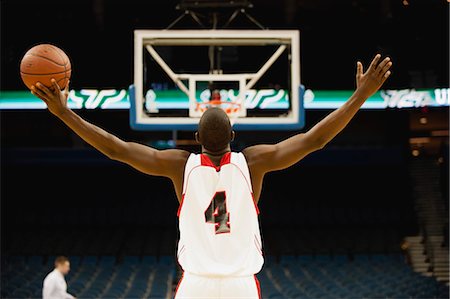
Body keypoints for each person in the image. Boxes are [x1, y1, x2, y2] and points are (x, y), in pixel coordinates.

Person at [32, 54, 392, 298]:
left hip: (196, 286)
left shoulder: (179, 165)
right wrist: (360, 95)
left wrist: (65, 114)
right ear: (233, 137)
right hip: (241, 285)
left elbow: (116, 148)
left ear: (196, 138)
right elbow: (315, 139)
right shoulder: (253, 163)